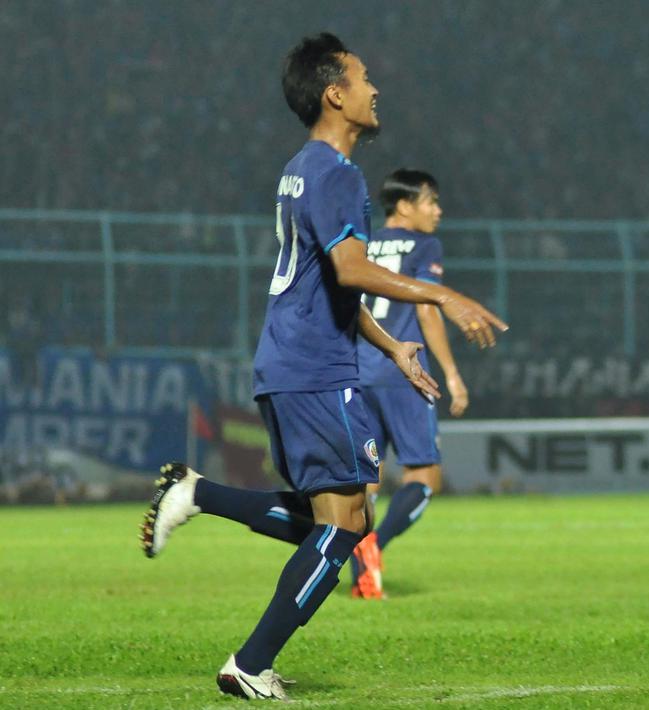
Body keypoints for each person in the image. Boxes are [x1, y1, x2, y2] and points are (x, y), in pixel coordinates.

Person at [138, 33, 506, 700]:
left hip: (292, 360)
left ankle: (196, 494)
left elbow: (329, 284)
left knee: (340, 523)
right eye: (364, 79)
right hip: (315, 370)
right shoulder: (337, 175)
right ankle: (250, 662)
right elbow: (350, 269)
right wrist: (444, 294)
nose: (374, 89)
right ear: (335, 93)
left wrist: (390, 345)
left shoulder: (300, 169)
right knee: (341, 531)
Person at [349, 169, 468, 600]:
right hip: (404, 373)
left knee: (367, 480)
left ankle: (360, 560)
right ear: (404, 206)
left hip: (359, 369)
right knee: (424, 476)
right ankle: (374, 547)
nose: (437, 211)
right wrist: (452, 374)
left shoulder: (360, 242)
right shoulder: (424, 246)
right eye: (430, 201)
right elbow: (427, 310)